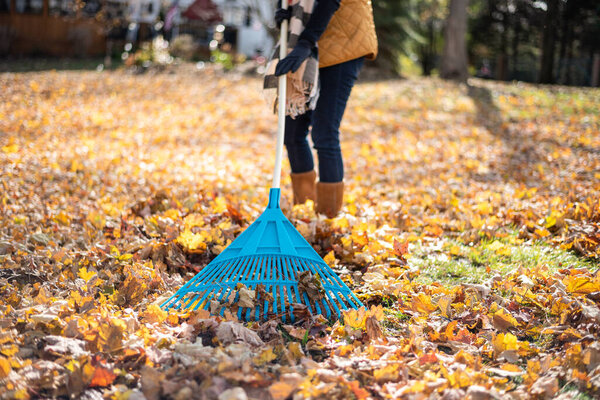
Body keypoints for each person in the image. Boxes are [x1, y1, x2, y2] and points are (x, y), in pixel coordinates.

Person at [273, 0, 377, 218]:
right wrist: (286, 14)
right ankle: (306, 212)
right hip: (311, 46)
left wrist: (306, 42)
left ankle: (328, 218)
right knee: (292, 133)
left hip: (345, 41)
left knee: (324, 132)